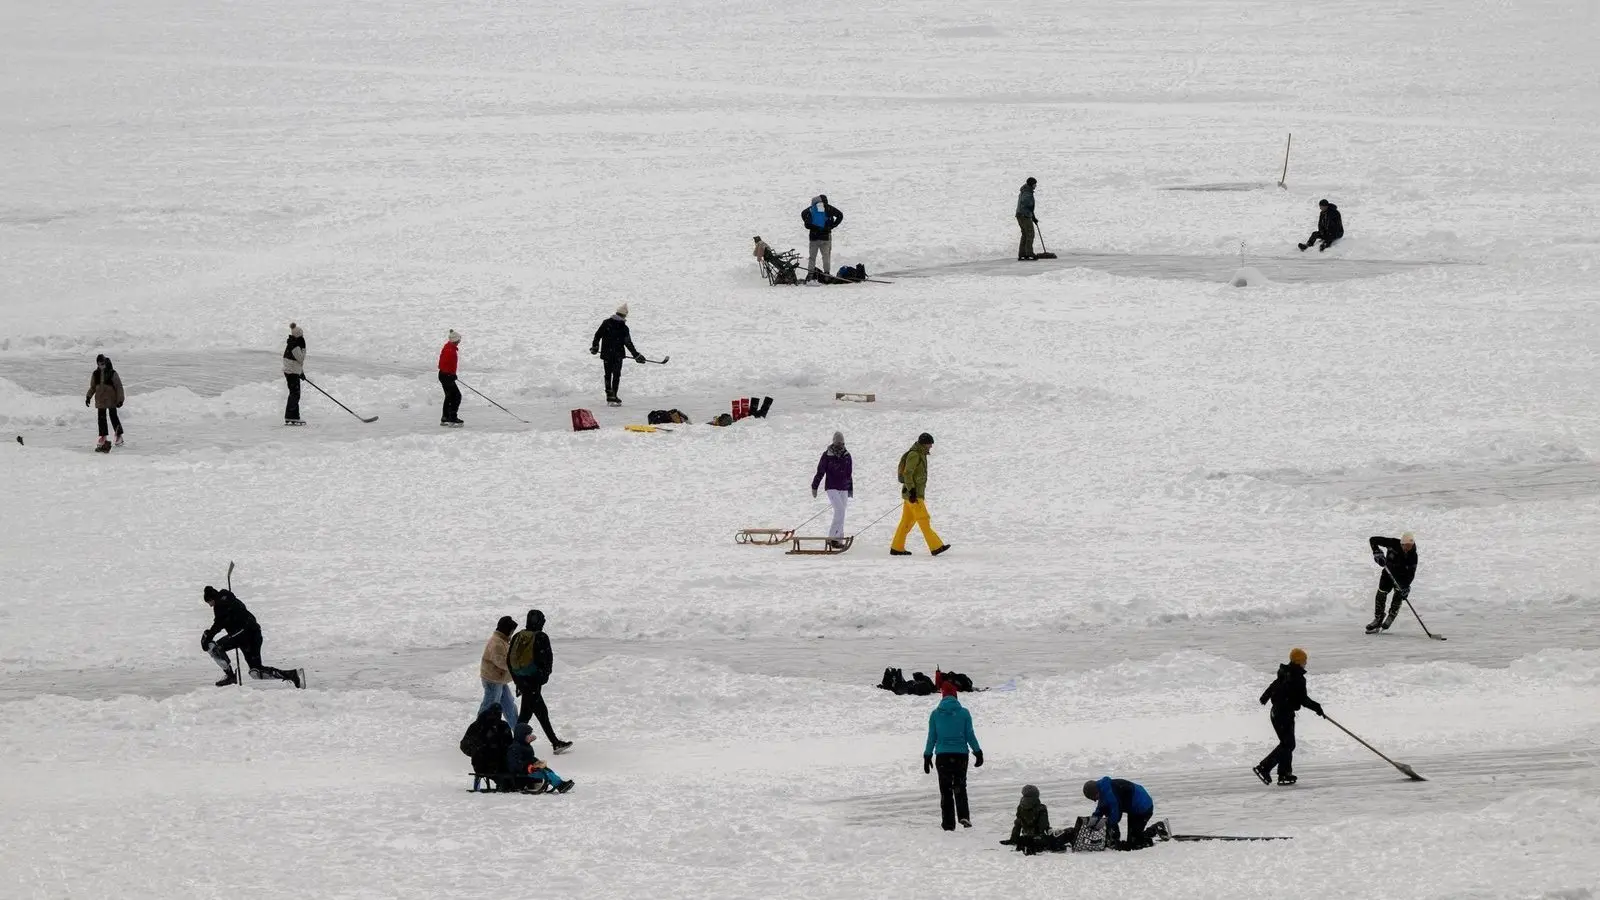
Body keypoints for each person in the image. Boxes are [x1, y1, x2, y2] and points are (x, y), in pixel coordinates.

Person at [200, 585, 304, 689]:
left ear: (212, 598)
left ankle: (230, 676)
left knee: (215, 649)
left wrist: (208, 636)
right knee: (256, 672)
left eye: (209, 602)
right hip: (254, 634)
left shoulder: (220, 605)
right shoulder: (230, 599)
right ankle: (292, 675)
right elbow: (226, 619)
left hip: (243, 634)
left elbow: (219, 623)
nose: (210, 605)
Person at [1253, 647, 1324, 786]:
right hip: (1283, 714)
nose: (1306, 663)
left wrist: (1265, 696)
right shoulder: (1297, 677)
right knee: (1288, 744)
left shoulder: (1286, 672)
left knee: (1287, 744)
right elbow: (1303, 699)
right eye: (1304, 660)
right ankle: (1264, 768)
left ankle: (1284, 774)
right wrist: (1317, 708)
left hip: (1278, 712)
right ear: (1298, 661)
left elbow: (1275, 684)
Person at [507, 609, 572, 753]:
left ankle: (513, 744)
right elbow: (547, 661)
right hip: (533, 683)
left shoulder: (518, 636)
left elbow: (509, 660)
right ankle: (554, 743)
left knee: (526, 714)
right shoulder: (541, 637)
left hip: (522, 681)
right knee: (540, 713)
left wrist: (518, 681)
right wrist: (542, 678)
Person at [923, 680, 983, 831]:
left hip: (942, 756)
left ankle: (948, 824)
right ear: (956, 695)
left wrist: (927, 755)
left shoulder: (935, 714)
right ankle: (964, 816)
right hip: (960, 755)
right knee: (960, 786)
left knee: (945, 790)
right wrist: (977, 752)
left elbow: (932, 737)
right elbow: (970, 735)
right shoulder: (964, 713)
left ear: (943, 696)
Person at [891, 432, 950, 557]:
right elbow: (908, 473)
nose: (931, 446)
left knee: (906, 522)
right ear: (923, 444)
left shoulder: (920, 454)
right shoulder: (914, 455)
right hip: (914, 495)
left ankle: (897, 547)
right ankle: (936, 547)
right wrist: (912, 490)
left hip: (912, 494)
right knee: (924, 519)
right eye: (929, 444)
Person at [1081, 777, 1163, 849]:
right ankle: (1114, 837)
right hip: (1133, 808)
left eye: (1094, 798)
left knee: (1135, 843)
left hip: (1143, 808)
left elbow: (1116, 816)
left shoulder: (1110, 795)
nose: (1095, 800)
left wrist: (1105, 825)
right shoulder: (1103, 789)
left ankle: (1157, 828)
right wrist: (1093, 821)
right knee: (1131, 839)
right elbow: (1101, 808)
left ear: (1097, 792)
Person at [590, 304, 644, 406]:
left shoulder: (606, 323)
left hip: (607, 354)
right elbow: (628, 343)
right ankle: (613, 395)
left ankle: (610, 396)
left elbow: (597, 335)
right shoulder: (624, 327)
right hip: (618, 355)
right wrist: (636, 355)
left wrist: (595, 346)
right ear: (625, 315)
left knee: (608, 375)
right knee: (616, 375)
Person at [1367, 532, 1418, 633]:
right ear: (1401, 543)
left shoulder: (1413, 556)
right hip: (1388, 573)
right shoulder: (1393, 543)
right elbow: (1373, 540)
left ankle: (1392, 615)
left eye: (1410, 546)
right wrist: (1376, 552)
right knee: (1381, 593)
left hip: (1401, 578)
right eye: (1406, 545)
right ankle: (1378, 618)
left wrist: (1406, 587)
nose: (1407, 548)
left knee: (1399, 594)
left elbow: (1411, 574)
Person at [811, 431, 853, 549]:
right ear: (834, 442)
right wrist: (815, 486)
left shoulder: (847, 455)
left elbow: (849, 474)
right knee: (840, 511)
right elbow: (820, 471)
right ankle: (832, 538)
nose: (840, 445)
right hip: (831, 487)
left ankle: (838, 539)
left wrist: (850, 488)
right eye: (837, 443)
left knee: (842, 513)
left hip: (844, 488)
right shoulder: (827, 455)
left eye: (841, 443)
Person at [504, 723, 575, 793]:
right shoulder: (515, 748)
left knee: (547, 770)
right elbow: (514, 764)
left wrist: (536, 762)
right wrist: (527, 767)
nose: (530, 737)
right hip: (521, 774)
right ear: (521, 736)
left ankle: (560, 783)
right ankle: (560, 785)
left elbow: (530, 758)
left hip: (529, 770)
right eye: (528, 736)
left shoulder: (526, 746)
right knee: (545, 773)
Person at [479, 616, 518, 732]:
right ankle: (479, 730)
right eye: (511, 631)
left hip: (500, 679)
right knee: (489, 706)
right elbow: (502, 662)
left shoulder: (502, 640)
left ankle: (518, 731)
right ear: (506, 630)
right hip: (492, 680)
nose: (512, 633)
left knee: (509, 706)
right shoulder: (496, 643)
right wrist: (517, 664)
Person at [460, 702, 515, 782]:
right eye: (494, 713)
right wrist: (476, 751)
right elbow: (464, 745)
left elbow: (510, 744)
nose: (496, 716)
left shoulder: (504, 726)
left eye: (498, 714)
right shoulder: (478, 725)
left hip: (501, 762)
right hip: (483, 763)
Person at [84, 354, 125, 451]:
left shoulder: (112, 373)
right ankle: (103, 436)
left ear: (106, 362)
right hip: (100, 400)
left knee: (113, 417)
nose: (101, 366)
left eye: (102, 364)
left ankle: (119, 435)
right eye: (99, 364)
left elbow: (119, 387)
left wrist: (120, 400)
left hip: (111, 399)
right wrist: (88, 397)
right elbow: (93, 387)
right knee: (101, 418)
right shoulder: (96, 374)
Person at [801, 194, 844, 280]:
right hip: (825, 237)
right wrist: (833, 225)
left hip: (813, 238)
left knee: (812, 257)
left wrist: (809, 222)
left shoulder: (811, 209)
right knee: (826, 256)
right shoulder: (828, 208)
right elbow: (840, 215)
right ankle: (827, 275)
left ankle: (810, 274)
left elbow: (803, 213)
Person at [1007, 785, 1051, 853]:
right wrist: (1049, 830)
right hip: (1038, 839)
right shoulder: (1041, 808)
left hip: (1025, 837)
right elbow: (1043, 825)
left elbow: (1017, 825)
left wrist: (1013, 839)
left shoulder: (1020, 807)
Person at [282, 322, 306, 425]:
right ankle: (292, 416)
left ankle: (291, 416)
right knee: (295, 394)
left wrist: (301, 372)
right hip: (291, 372)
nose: (302, 337)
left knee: (294, 394)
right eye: (301, 335)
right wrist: (303, 348)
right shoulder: (295, 345)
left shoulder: (293, 343)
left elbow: (296, 362)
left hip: (291, 371)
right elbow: (300, 358)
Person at [438, 330, 463, 426]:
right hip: (446, 375)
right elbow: (444, 364)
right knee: (456, 396)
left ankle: (445, 417)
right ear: (456, 340)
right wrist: (450, 374)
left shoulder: (449, 347)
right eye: (459, 339)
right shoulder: (450, 351)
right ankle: (452, 418)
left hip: (445, 375)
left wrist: (451, 374)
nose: (460, 341)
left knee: (449, 396)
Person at [1016, 177, 1039, 261]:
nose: (1036, 185)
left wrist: (1033, 217)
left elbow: (1029, 208)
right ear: (1031, 184)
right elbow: (1027, 204)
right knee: (1030, 234)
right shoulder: (1027, 192)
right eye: (1035, 184)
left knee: (1025, 234)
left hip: (1020, 215)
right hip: (1024, 216)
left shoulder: (1025, 191)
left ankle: (1022, 254)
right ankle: (1029, 253)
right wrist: (1031, 215)